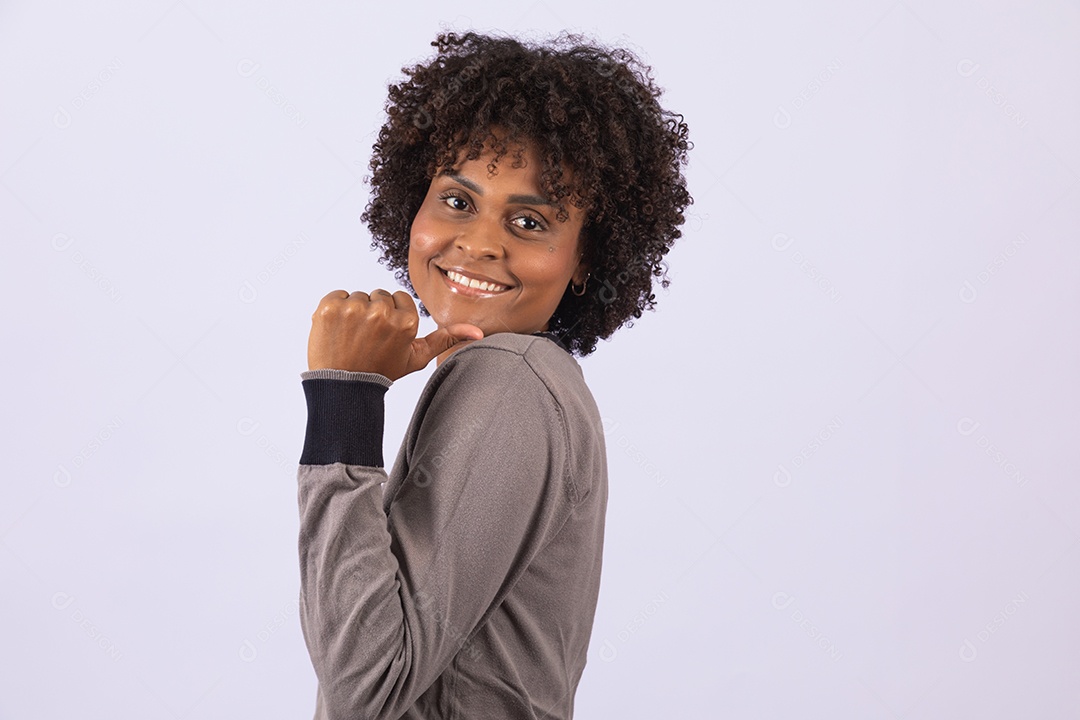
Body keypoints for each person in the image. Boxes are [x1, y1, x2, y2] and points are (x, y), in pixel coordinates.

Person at [296, 31, 690, 719]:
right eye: (457, 200)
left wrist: (343, 401)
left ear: (586, 258)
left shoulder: (509, 378)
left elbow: (367, 684)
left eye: (529, 221)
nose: (479, 243)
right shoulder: (526, 379)